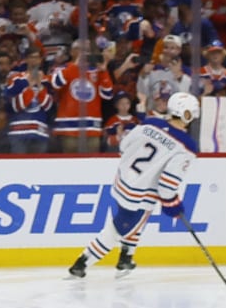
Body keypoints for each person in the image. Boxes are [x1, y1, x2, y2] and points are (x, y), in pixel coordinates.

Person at [68, 91, 197, 279]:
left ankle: (126, 257)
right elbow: (167, 185)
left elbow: (124, 145)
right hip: (141, 193)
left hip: (122, 182)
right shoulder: (186, 146)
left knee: (137, 221)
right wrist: (172, 204)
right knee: (119, 229)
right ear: (188, 114)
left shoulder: (151, 123)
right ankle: (81, 263)